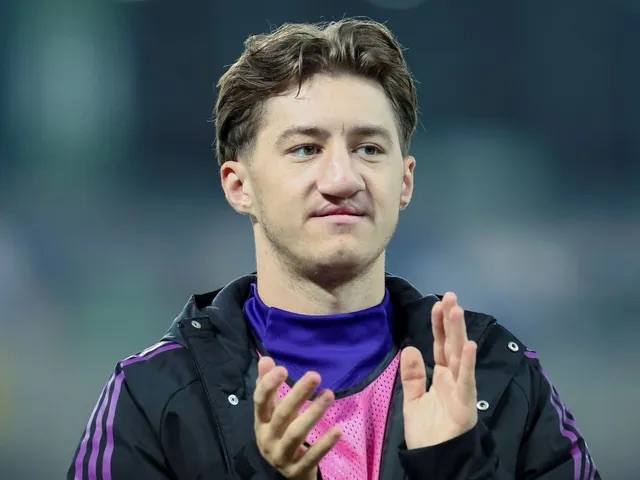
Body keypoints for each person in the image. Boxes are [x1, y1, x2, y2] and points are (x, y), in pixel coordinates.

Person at [67, 18, 599, 480]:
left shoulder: (499, 377)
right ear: (238, 185)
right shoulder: (154, 398)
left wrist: (454, 465)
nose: (343, 179)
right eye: (306, 149)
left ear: (405, 181)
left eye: (369, 148)